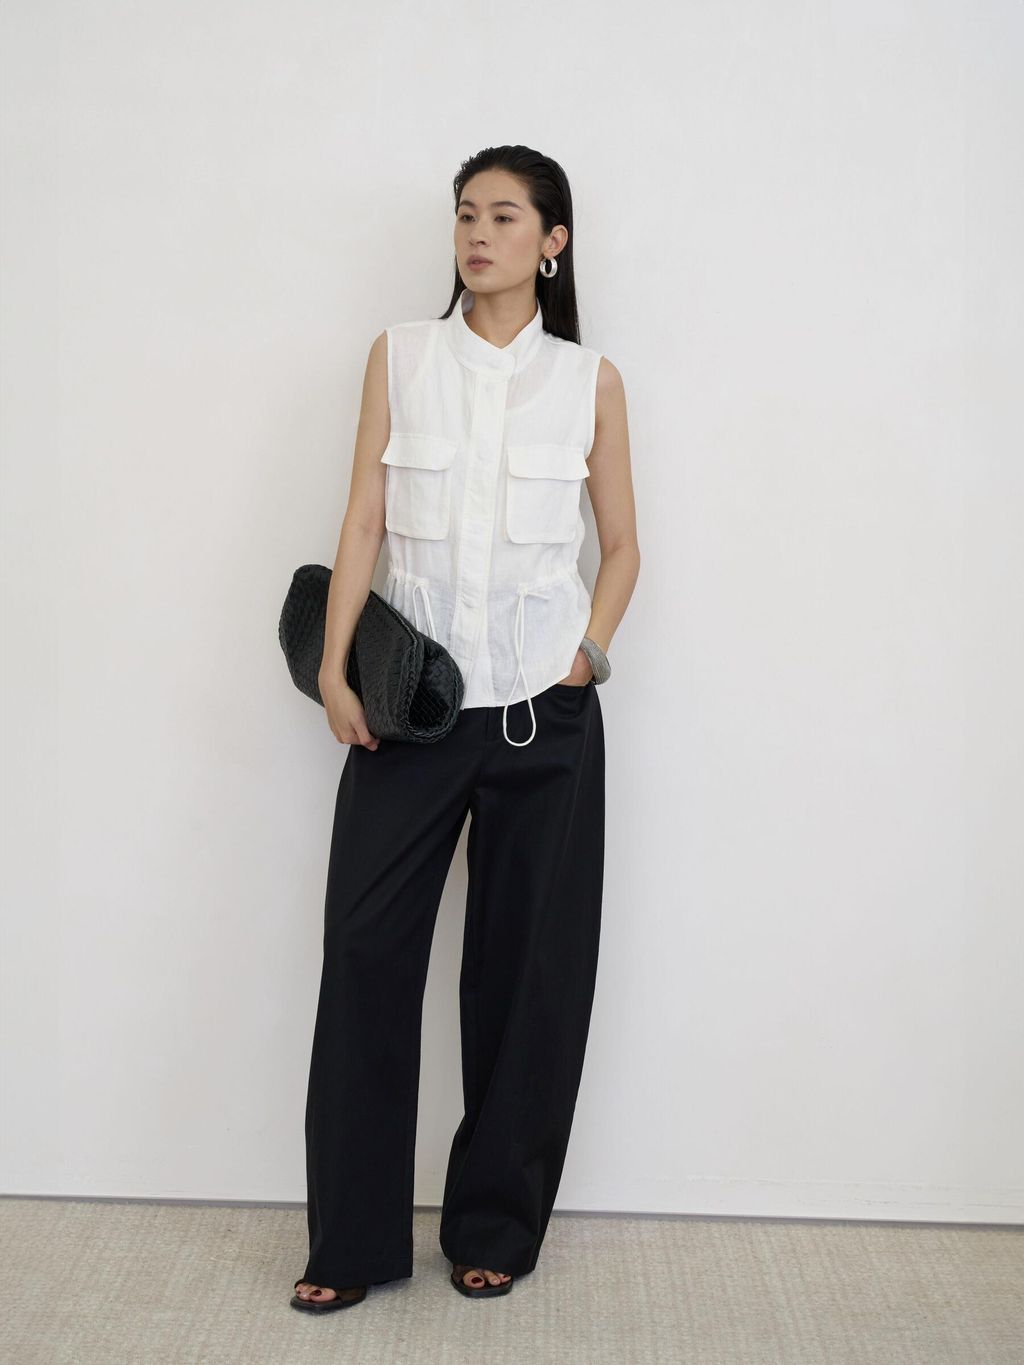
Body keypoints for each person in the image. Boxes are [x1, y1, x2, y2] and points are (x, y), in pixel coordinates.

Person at [291, 145, 640, 1313]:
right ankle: (349, 1245)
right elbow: (363, 519)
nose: (477, 235)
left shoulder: (589, 382)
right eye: (464, 216)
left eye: (502, 217)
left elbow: (622, 546)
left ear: (552, 242)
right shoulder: (401, 356)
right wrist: (336, 668)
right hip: (413, 717)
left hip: (545, 718)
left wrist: (585, 655)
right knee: (365, 959)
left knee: (526, 978)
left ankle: (493, 1226)